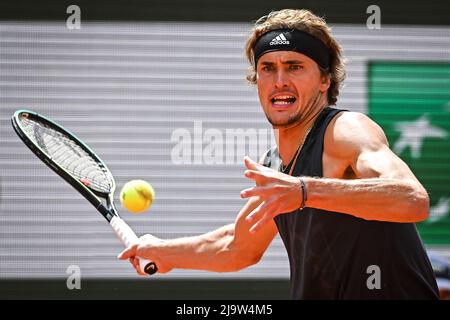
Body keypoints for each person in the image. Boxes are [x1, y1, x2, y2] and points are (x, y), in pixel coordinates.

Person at [118, 9, 439, 299]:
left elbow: (412, 199)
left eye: (294, 66)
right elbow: (236, 248)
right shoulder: (276, 165)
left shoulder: (344, 130)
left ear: (325, 80)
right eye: (267, 68)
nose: (280, 81)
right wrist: (162, 251)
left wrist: (304, 190)